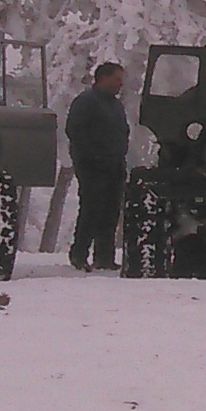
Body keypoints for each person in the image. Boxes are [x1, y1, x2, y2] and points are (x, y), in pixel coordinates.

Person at [65, 61, 131, 271]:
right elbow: (75, 131)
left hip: (114, 165)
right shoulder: (86, 102)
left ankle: (104, 257)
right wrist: (93, 156)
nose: (120, 84)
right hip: (92, 166)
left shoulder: (115, 105)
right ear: (103, 78)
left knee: (111, 211)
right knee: (91, 208)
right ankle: (79, 254)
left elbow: (122, 132)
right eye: (117, 79)